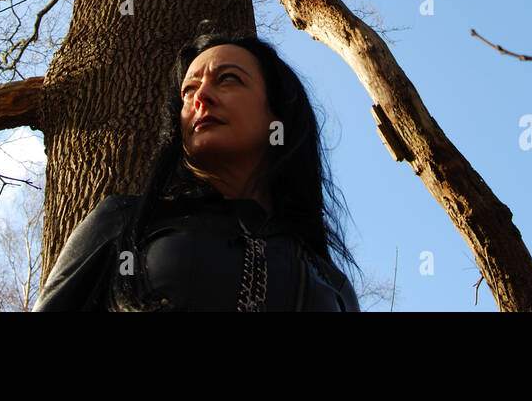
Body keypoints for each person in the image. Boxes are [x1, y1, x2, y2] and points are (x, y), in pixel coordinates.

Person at [32, 32, 360, 311]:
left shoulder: (331, 283)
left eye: (228, 79)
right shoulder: (123, 221)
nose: (200, 96)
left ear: (279, 111)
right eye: (188, 90)